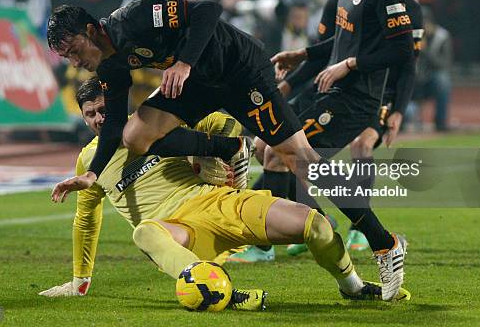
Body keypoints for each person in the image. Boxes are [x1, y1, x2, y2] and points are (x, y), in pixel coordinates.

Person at [46, 0, 407, 300]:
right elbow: (114, 126)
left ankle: (384, 243)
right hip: (198, 83)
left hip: (238, 71)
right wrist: (93, 173)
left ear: (89, 31)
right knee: (136, 136)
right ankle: (229, 149)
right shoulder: (110, 65)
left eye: (73, 50)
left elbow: (207, 11)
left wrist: (183, 61)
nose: (75, 62)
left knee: (301, 160)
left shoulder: (133, 20)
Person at [38, 77, 411, 307]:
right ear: (84, 118)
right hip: (179, 230)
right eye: (91, 114)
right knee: (144, 232)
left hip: (219, 202)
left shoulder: (150, 126)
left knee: (315, 225)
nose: (100, 118)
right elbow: (86, 221)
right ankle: (215, 288)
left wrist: (224, 150)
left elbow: (220, 119)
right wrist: (79, 281)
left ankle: (353, 287)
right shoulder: (89, 161)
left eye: (104, 109)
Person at [234, 0, 422, 260]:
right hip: (327, 88)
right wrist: (297, 70)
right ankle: (319, 225)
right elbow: (331, 48)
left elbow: (406, 62)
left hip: (369, 97)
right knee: (279, 152)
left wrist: (396, 109)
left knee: (348, 149)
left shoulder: (403, 5)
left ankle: (344, 233)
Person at [411, 7, 452, 132]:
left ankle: (440, 122)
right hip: (411, 83)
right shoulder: (410, 34)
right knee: (408, 113)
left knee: (443, 79)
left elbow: (445, 64)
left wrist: (426, 50)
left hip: (430, 82)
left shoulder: (442, 36)